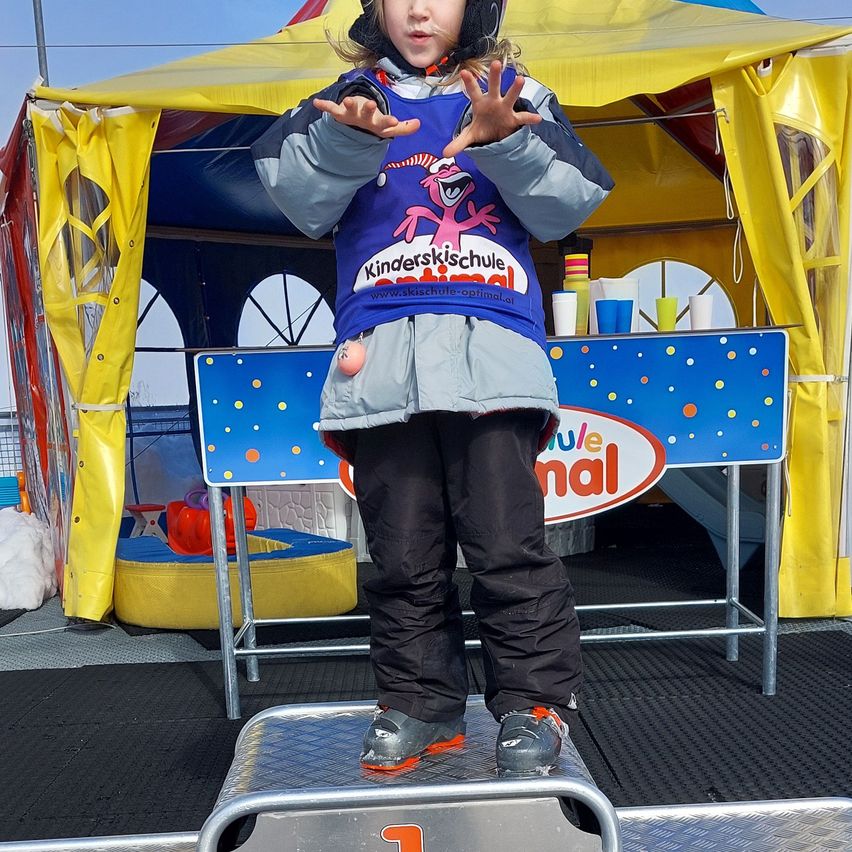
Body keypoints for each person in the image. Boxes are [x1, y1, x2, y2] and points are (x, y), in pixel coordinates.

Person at [252, 0, 613, 776]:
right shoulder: (345, 100)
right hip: (379, 370)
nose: (420, 8)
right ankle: (420, 706)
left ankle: (533, 706)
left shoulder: (517, 90)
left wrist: (508, 141)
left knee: (506, 545)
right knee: (402, 554)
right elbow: (298, 199)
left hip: (493, 363)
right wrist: (347, 140)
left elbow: (570, 203)